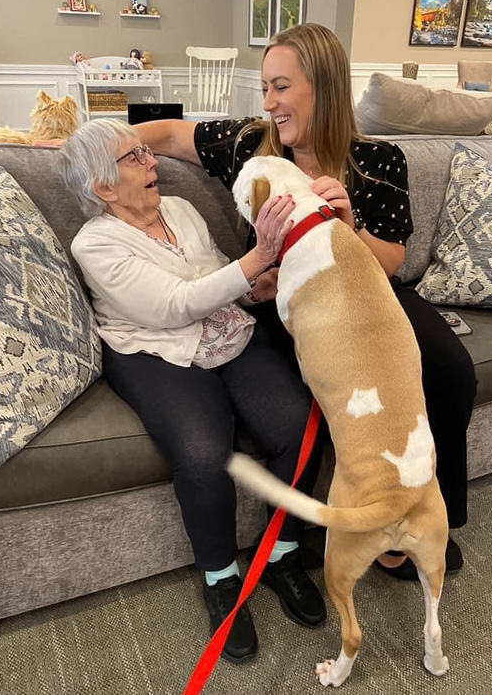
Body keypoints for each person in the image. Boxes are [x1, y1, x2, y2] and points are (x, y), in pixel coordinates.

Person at [136, 23, 477, 581]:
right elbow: (173, 135)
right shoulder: (251, 146)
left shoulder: (377, 159)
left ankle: (426, 512)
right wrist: (94, 137)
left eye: (280, 88)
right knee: (314, 398)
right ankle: (330, 530)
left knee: (450, 368)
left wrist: (348, 227)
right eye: (265, 89)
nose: (268, 103)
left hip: (369, 295)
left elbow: (390, 259)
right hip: (287, 302)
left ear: (322, 88)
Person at [59, 118, 327, 664]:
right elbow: (172, 306)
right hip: (155, 350)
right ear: (102, 187)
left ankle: (280, 554)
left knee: (299, 428)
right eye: (134, 158)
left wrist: (256, 287)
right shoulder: (95, 243)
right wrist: (260, 254)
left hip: (224, 329)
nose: (152, 162)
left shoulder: (179, 209)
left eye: (145, 152)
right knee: (204, 455)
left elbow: (213, 278)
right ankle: (222, 580)